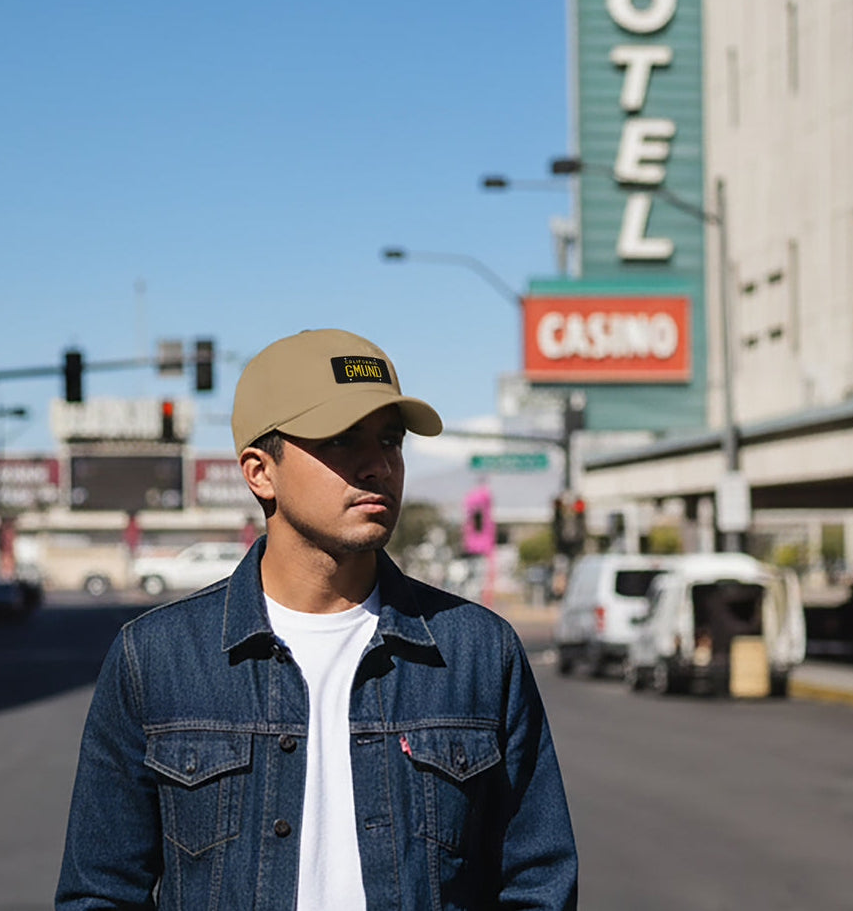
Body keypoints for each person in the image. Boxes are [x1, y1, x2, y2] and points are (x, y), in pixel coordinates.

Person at [56, 328, 578, 911]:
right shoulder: (156, 658)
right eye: (340, 440)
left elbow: (538, 883)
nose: (377, 465)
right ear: (260, 471)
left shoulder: (479, 651)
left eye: (389, 440)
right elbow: (100, 893)